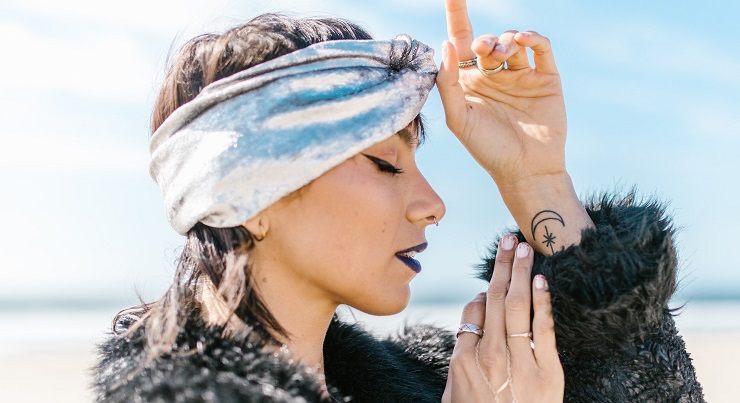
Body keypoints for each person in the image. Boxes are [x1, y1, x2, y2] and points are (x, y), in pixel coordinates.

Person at [94, 1, 704, 401]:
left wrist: (537, 179)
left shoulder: (442, 377)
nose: (432, 204)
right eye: (385, 162)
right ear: (246, 194)